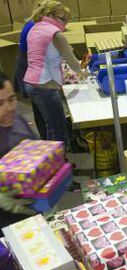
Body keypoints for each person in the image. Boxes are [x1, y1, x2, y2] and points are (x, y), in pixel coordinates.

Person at [24, 0, 87, 145]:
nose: (65, 24)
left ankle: (51, 160)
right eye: (62, 19)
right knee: (58, 130)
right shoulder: (55, 33)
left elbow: (43, 55)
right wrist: (83, 74)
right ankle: (58, 163)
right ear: (51, 15)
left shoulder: (35, 28)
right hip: (45, 85)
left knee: (49, 126)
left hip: (31, 83)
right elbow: (72, 63)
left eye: (66, 20)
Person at [0, 72, 37, 232]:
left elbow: (38, 152)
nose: (9, 108)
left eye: (12, 99)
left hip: (32, 209)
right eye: (0, 103)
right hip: (6, 223)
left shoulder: (19, 120)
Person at [14, 0, 46, 139]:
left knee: (39, 107)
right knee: (42, 108)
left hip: (28, 68)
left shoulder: (33, 23)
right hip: (30, 71)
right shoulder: (35, 28)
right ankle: (47, 141)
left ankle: (46, 139)